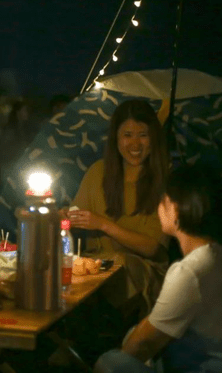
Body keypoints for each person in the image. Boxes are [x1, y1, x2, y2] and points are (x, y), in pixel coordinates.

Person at [94, 165, 222, 373]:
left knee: (110, 362)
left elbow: (144, 342)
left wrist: (125, 359)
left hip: (209, 366)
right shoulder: (217, 253)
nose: (159, 208)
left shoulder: (190, 270)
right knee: (133, 333)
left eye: (162, 201)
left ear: (175, 208)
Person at [64, 99, 169, 312]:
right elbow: (75, 215)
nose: (135, 145)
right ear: (116, 138)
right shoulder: (98, 172)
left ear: (153, 138)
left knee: (119, 265)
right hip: (95, 268)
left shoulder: (164, 181)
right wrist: (59, 217)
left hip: (141, 275)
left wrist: (103, 225)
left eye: (143, 135)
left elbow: (152, 247)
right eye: (127, 135)